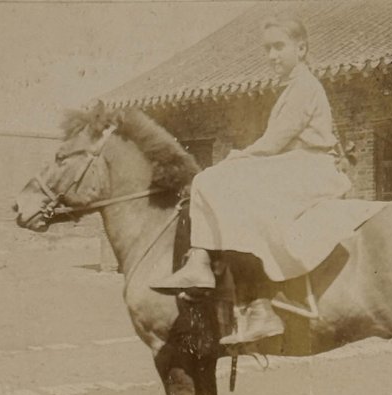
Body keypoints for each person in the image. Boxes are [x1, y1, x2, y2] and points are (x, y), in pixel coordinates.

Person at [150, 15, 351, 344]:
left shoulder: (304, 87)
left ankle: (255, 300)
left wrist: (239, 156)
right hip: (295, 164)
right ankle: (203, 263)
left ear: (301, 49)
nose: (272, 56)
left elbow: (274, 142)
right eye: (267, 49)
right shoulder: (292, 88)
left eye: (279, 47)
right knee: (214, 180)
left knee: (215, 180)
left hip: (311, 168)